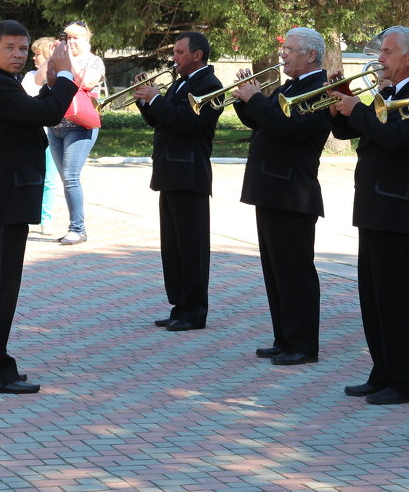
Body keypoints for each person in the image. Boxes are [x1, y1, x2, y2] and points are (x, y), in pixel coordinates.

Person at [0, 20, 77, 393]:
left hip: (4, 200)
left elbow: (34, 110)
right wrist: (64, 76)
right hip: (1, 202)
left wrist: (50, 84)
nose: (17, 54)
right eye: (9, 48)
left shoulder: (2, 83)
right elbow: (44, 115)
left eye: (22, 48)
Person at [330, 26, 409, 404]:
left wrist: (357, 110)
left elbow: (396, 140)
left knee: (398, 302)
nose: (381, 58)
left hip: (399, 208)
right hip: (374, 206)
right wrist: (340, 100)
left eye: (388, 52)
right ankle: (382, 371)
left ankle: (405, 382)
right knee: (373, 298)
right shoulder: (387, 92)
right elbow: (348, 132)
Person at [233, 27, 331, 365]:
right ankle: (284, 337)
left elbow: (289, 129)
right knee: (275, 270)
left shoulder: (320, 90)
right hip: (271, 188)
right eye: (284, 48)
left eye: (290, 49)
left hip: (293, 191)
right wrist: (245, 101)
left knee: (295, 271)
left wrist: (257, 100)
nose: (283, 54)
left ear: (312, 55)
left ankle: (303, 345)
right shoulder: (291, 86)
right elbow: (264, 123)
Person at [133, 32, 223, 331]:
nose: (174, 57)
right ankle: (179, 305)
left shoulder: (210, 85)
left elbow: (189, 122)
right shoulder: (181, 81)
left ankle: (195, 311)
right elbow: (162, 120)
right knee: (172, 248)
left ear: (197, 55)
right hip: (170, 172)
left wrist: (156, 98)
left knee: (192, 247)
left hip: (190, 174)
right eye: (175, 52)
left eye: (179, 52)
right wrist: (146, 101)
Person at [47, 21, 105, 245]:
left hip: (80, 127)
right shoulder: (61, 59)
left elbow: (85, 82)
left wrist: (66, 61)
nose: (70, 41)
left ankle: (78, 229)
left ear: (87, 39)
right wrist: (52, 59)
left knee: (71, 178)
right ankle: (76, 226)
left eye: (75, 37)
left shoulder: (94, 61)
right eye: (67, 37)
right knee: (66, 180)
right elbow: (46, 81)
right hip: (56, 127)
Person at [21, 37, 59, 234]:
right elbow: (36, 84)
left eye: (38, 54)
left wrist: (55, 58)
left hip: (51, 135)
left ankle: (46, 219)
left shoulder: (60, 79)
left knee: (50, 179)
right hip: (32, 136)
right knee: (30, 176)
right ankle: (26, 215)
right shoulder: (30, 76)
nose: (33, 57)